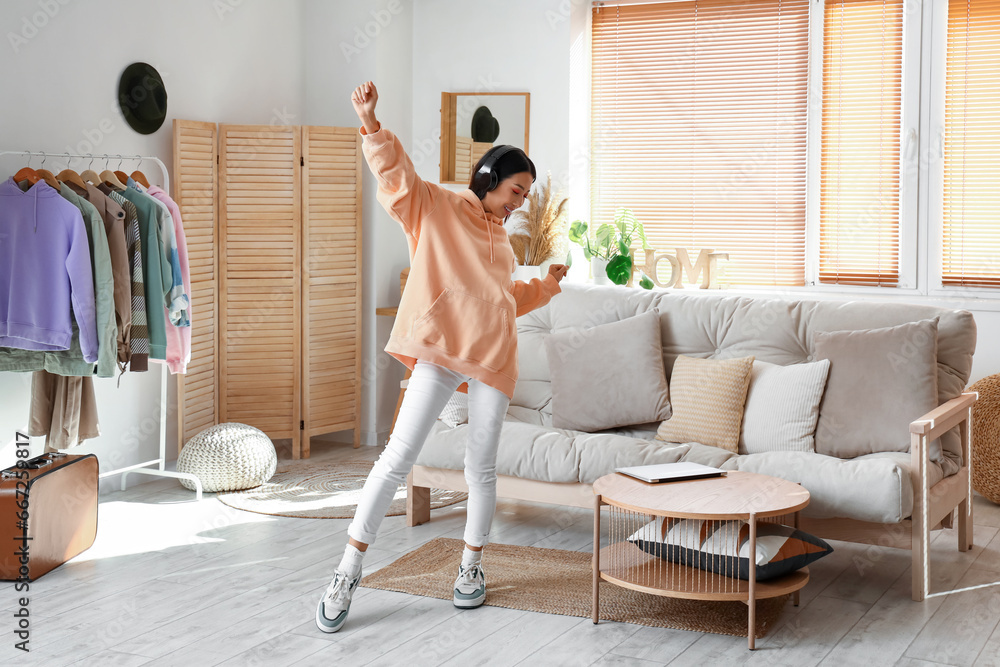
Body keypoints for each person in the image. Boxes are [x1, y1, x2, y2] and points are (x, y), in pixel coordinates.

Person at [316, 81, 568, 633]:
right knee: (395, 461)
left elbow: (502, 300)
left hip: (495, 362)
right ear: (490, 178)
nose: (519, 202)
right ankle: (348, 568)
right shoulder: (438, 208)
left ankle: (470, 567)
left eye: (526, 196)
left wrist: (544, 287)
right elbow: (397, 180)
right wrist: (371, 126)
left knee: (480, 469)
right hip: (440, 353)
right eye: (515, 191)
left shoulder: (503, 242)